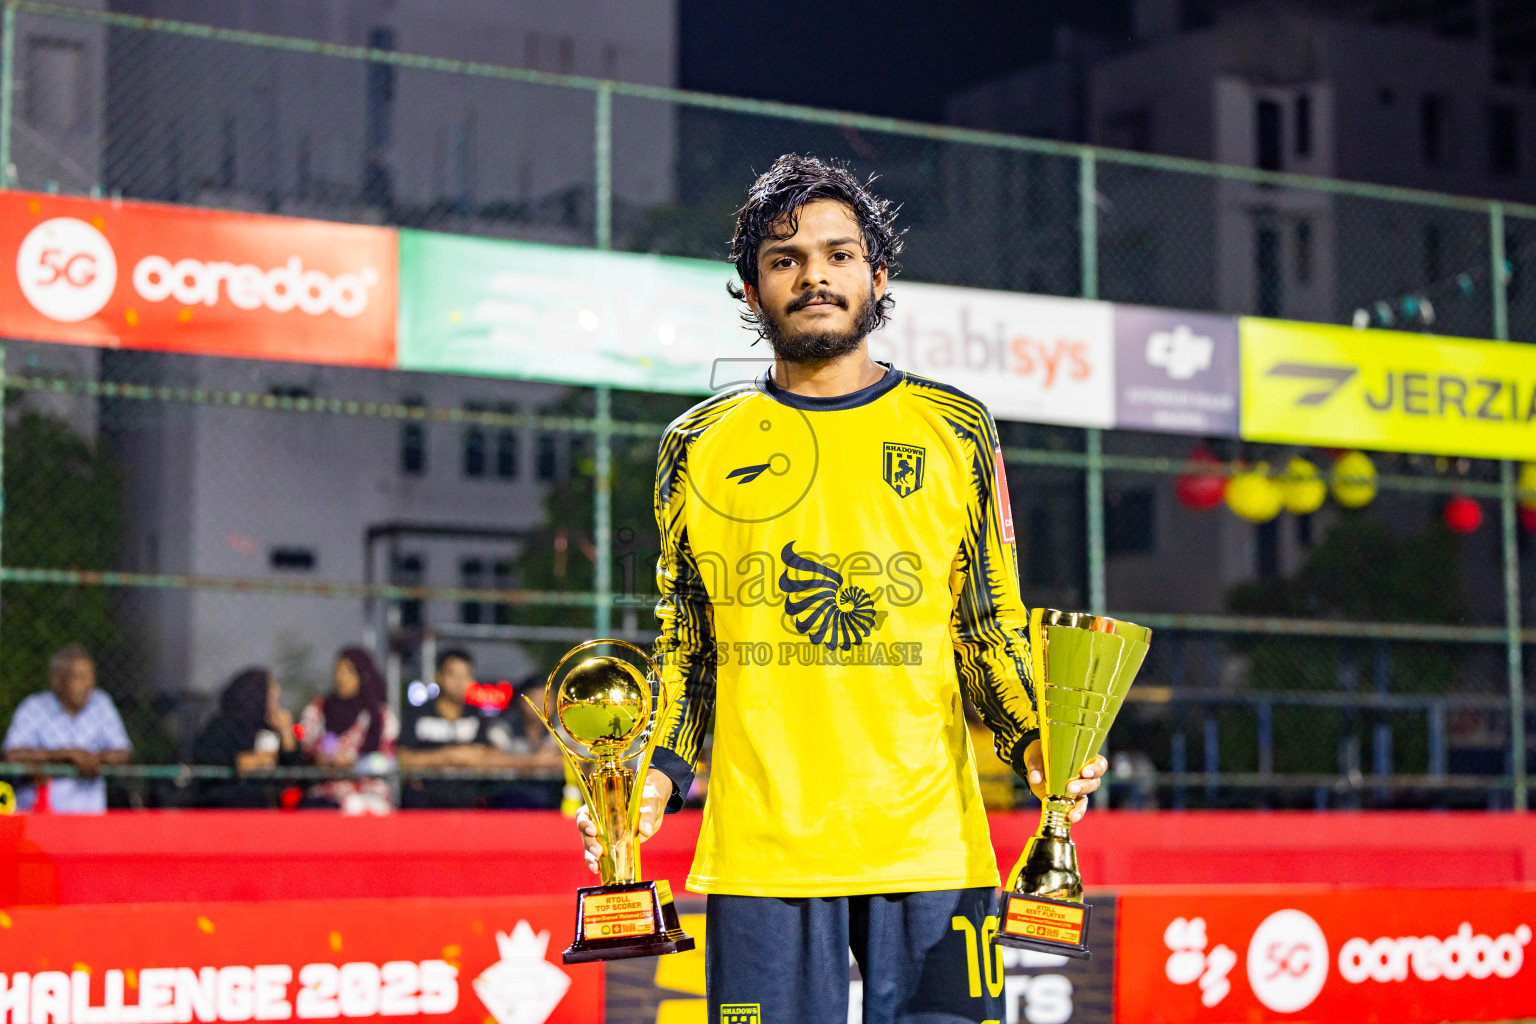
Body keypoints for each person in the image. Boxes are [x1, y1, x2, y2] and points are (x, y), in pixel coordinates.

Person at [576, 155, 1107, 1022]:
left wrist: (1031, 738)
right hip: (762, 852)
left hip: (930, 845)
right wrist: (653, 777)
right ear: (750, 289)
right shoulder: (696, 444)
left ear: (877, 275)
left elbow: (986, 622)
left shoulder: (957, 428)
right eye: (785, 259)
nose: (814, 273)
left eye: (838, 253)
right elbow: (688, 645)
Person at [398, 649, 558, 807]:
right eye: (452, 674)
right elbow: (402, 758)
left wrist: (531, 762)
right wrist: (451, 756)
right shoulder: (417, 714)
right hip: (421, 804)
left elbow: (488, 758)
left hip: (467, 804)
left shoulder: (476, 716)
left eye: (466, 675)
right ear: (438, 676)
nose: (460, 682)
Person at [2, 644, 131, 813]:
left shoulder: (101, 703)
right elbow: (12, 753)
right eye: (78, 677)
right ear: (56, 680)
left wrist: (92, 759)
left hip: (90, 817)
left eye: (90, 677)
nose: (87, 685)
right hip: (39, 816)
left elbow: (123, 751)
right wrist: (65, 755)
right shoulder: (34, 707)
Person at [298, 646, 397, 814]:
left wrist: (355, 763)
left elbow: (387, 760)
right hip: (326, 794)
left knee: (359, 807)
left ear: (363, 675)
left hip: (370, 794)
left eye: (349, 671)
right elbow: (303, 745)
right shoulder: (319, 709)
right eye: (338, 670)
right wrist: (321, 759)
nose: (340, 677)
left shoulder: (381, 716)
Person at [192, 667, 299, 807]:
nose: (277, 692)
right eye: (271, 688)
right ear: (256, 693)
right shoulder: (223, 724)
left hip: (270, 809)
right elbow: (206, 762)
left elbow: (298, 774)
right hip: (226, 806)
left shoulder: (271, 727)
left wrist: (287, 735)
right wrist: (242, 762)